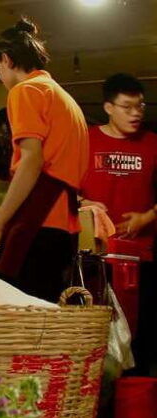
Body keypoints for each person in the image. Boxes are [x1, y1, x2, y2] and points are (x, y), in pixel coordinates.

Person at [0, 17, 88, 302]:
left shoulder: (25, 91)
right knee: (42, 323)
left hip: (39, 223)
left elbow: (31, 161)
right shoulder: (62, 97)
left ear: (7, 60)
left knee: (15, 319)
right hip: (61, 228)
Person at [81, 73, 157, 375]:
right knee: (98, 335)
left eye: (140, 106)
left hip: (144, 257)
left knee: (143, 337)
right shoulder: (85, 138)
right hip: (95, 257)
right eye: (127, 107)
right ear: (108, 107)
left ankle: (139, 405)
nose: (136, 113)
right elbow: (61, 188)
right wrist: (81, 203)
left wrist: (148, 216)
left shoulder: (152, 144)